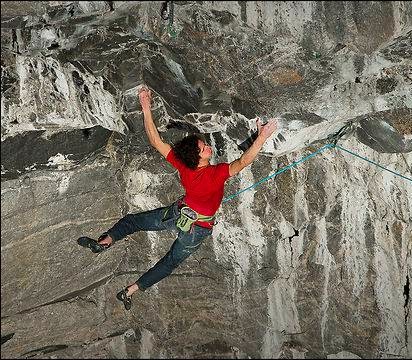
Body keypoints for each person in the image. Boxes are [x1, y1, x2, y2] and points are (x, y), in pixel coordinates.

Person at [77, 85, 278, 310]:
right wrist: (262, 137)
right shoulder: (215, 173)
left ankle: (105, 241)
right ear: (198, 157)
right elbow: (242, 162)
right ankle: (131, 290)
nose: (208, 147)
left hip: (178, 214)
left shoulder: (185, 166)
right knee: (170, 261)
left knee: (133, 222)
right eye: (204, 148)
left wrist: (145, 106)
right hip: (197, 227)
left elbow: (155, 141)